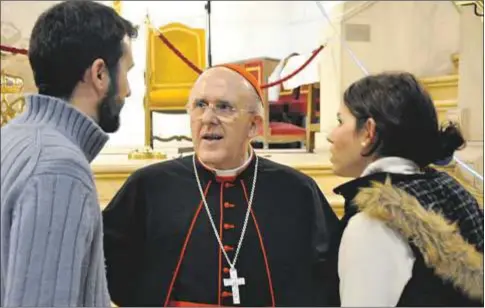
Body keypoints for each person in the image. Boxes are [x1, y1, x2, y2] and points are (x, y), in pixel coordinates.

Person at [102, 64, 341, 307]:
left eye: (224, 107)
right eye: (199, 105)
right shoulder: (149, 186)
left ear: (254, 126)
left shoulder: (296, 191)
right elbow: (107, 263)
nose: (207, 118)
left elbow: (328, 276)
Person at [0, 1, 137, 306]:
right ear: (100, 74)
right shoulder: (59, 170)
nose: (128, 90)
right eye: (127, 71)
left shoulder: (12, 138)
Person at [327, 72, 484, 307]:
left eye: (340, 121)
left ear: (368, 132)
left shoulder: (374, 222)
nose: (330, 135)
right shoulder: (450, 191)